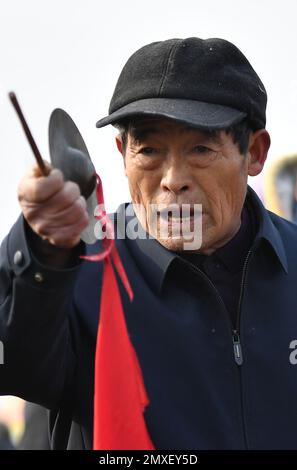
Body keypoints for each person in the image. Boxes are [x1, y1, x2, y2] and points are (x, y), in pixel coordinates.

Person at [0, 36, 297, 450]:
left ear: (255, 153)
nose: (173, 179)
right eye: (150, 150)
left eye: (201, 149)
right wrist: (37, 250)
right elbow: (12, 366)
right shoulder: (76, 270)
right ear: (122, 154)